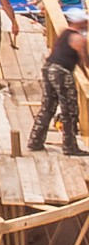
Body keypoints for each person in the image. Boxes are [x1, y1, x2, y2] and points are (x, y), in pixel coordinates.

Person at [30, 13, 89, 156]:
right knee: (69, 109)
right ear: (80, 22)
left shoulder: (64, 33)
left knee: (48, 106)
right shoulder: (79, 38)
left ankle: (35, 140)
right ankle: (69, 146)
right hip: (61, 72)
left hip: (48, 68)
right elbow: (84, 61)